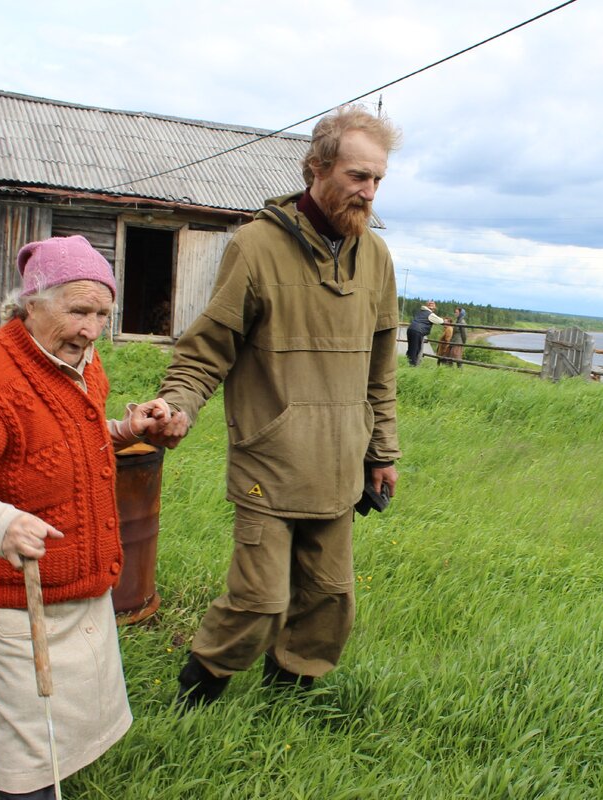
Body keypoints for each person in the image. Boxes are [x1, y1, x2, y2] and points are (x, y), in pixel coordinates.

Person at [145, 105, 402, 707]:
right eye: (357, 176)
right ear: (316, 166)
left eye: (377, 180)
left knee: (329, 597)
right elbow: (207, 349)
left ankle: (289, 694)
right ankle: (200, 684)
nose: (368, 192)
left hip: (340, 462)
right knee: (260, 600)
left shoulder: (378, 260)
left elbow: (380, 369)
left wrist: (381, 452)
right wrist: (175, 404)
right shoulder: (255, 248)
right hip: (270, 458)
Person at [0, 235, 171, 799]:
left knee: (56, 698)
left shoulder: (77, 359)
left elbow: (69, 443)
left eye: (102, 313)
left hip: (68, 572)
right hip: (5, 581)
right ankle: (18, 786)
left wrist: (126, 431)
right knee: (34, 716)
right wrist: (1, 522)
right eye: (78, 311)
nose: (90, 329)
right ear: (31, 303)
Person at [406, 300, 444, 366]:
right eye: (432, 305)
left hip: (411, 329)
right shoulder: (430, 314)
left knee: (411, 348)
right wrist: (444, 319)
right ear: (433, 307)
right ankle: (412, 365)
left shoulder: (421, 311)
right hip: (418, 331)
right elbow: (440, 321)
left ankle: (409, 363)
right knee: (416, 349)